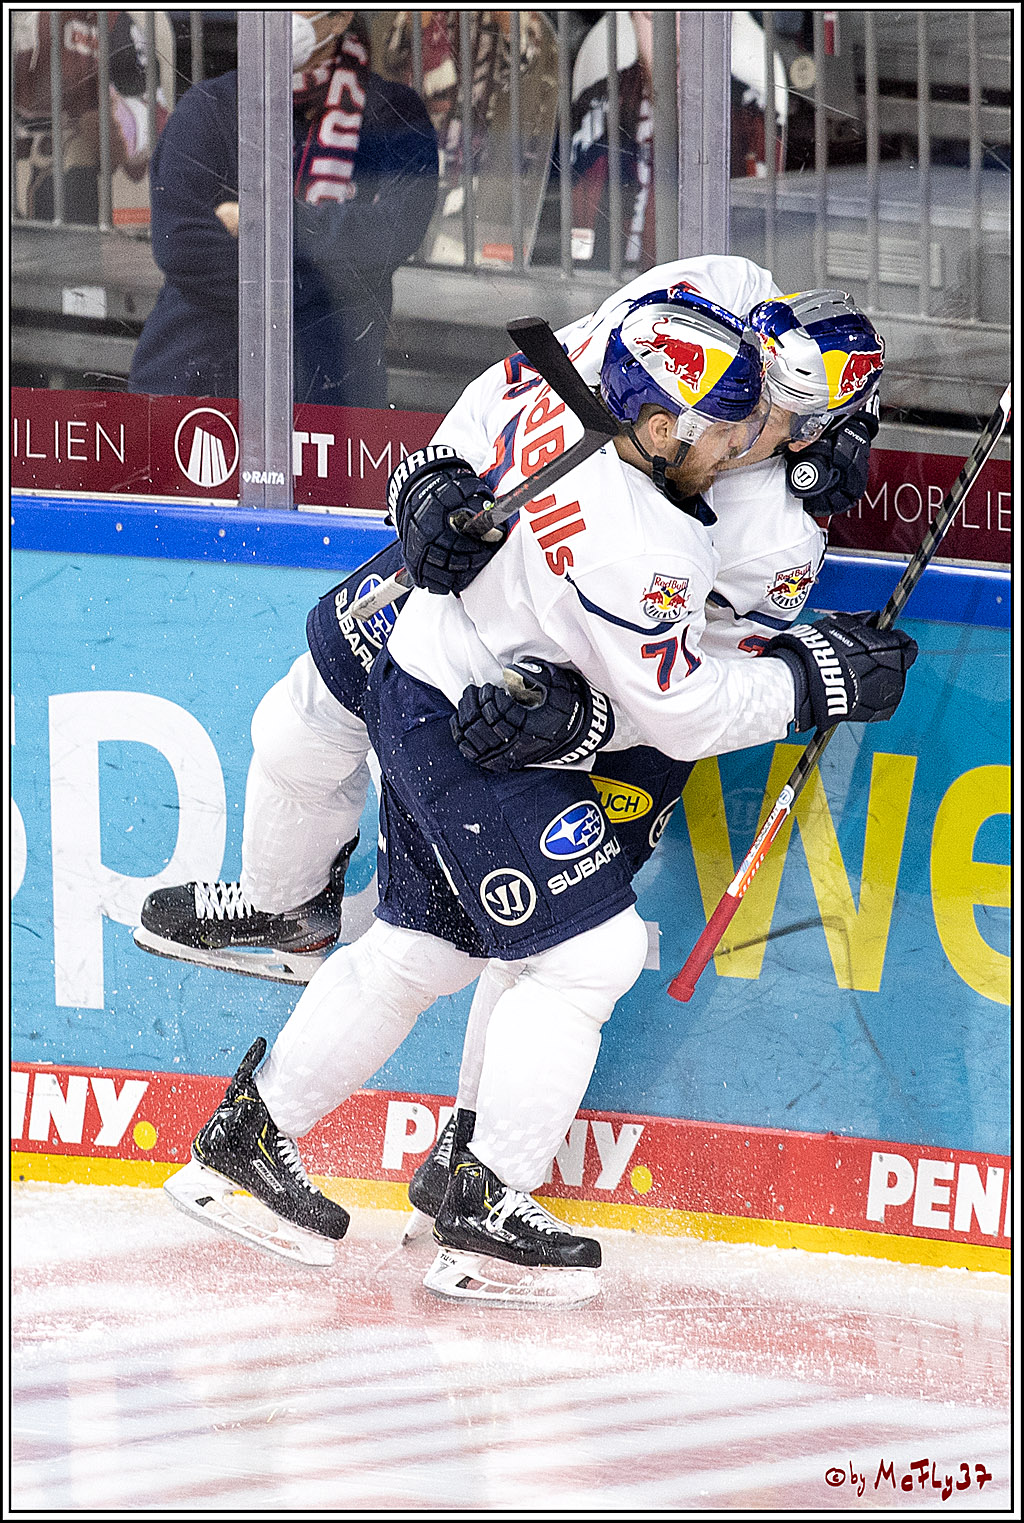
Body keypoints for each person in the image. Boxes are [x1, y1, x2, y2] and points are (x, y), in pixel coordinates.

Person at [153, 276, 914, 1303]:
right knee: (587, 954)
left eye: (767, 421)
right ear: (659, 416)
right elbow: (680, 703)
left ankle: (249, 1140)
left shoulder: (604, 376)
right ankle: (484, 1192)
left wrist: (434, 475)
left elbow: (649, 643)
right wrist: (812, 677)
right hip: (478, 720)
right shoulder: (649, 533)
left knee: (423, 946)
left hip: (439, 678)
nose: (744, 440)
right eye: (734, 422)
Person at [128, 11, 438, 406]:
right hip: (195, 383)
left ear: (340, 18)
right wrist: (324, 280)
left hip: (329, 394)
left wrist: (265, 220)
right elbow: (183, 244)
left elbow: (390, 234)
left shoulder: (395, 115)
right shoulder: (208, 105)